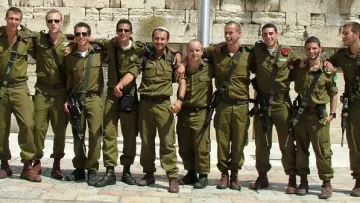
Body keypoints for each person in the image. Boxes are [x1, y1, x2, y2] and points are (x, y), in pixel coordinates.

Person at [247, 23, 299, 193]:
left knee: (286, 141)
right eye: (265, 34)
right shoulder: (257, 51)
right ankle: (262, 176)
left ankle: (291, 177)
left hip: (281, 103)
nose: (268, 37)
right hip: (263, 103)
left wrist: (324, 64)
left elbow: (301, 65)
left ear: (277, 34)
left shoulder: (287, 52)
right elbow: (239, 52)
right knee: (262, 142)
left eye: (271, 33)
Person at [91, 19, 142, 187]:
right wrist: (70, 44)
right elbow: (92, 39)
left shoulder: (139, 49)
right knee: (109, 133)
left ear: (131, 32)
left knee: (129, 136)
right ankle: (110, 171)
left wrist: (178, 54)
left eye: (126, 30)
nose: (123, 33)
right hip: (112, 96)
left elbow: (134, 72)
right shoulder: (110, 44)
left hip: (128, 96)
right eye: (120, 30)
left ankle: (126, 171)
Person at [137, 27, 185, 193]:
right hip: (145, 104)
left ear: (167, 40)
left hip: (164, 105)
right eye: (156, 38)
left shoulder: (173, 59)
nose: (159, 42)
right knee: (146, 141)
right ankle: (149, 174)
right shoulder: (144, 55)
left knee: (167, 142)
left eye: (162, 39)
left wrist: (180, 100)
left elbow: (182, 80)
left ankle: (172, 177)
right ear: (152, 39)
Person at [203, 21, 251, 190]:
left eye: (231, 33)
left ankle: (235, 175)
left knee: (239, 142)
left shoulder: (249, 54)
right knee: (223, 141)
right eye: (225, 33)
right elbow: (195, 49)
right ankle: (224, 174)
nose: (228, 36)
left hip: (241, 105)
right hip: (223, 105)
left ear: (239, 34)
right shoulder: (216, 52)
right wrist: (180, 58)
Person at [291, 36, 337, 199]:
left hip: (319, 116)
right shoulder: (299, 68)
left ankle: (326, 183)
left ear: (320, 49)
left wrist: (332, 114)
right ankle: (303, 181)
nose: (311, 52)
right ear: (305, 50)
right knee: (301, 150)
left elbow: (333, 93)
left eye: (314, 48)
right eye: (308, 49)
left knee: (322, 150)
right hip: (302, 115)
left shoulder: (327, 70)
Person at [0, 7, 41, 182]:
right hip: (1, 88)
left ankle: (27, 165)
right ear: (6, 18)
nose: (13, 22)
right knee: (1, 128)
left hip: (20, 87)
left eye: (17, 19)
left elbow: (44, 44)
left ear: (20, 21)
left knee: (28, 124)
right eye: (11, 18)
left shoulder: (26, 39)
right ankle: (4, 164)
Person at [31, 9, 73, 179]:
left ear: (62, 22)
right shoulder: (38, 40)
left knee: (59, 130)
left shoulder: (69, 43)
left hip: (60, 93)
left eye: (56, 20)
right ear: (46, 22)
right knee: (38, 128)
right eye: (50, 21)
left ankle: (57, 163)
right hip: (42, 90)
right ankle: (36, 162)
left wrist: (69, 96)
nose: (53, 23)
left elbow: (72, 71)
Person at [63, 22, 105, 186]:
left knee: (95, 134)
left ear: (89, 35)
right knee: (78, 134)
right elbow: (69, 78)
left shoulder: (99, 53)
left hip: (94, 98)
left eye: (84, 34)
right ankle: (79, 168)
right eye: (78, 34)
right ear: (74, 36)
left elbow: (108, 43)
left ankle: (92, 169)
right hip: (76, 99)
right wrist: (67, 99)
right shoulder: (70, 57)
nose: (81, 37)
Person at [328, 21, 360, 197]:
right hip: (354, 107)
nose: (343, 36)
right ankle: (359, 180)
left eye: (346, 33)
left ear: (356, 34)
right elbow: (327, 62)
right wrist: (329, 66)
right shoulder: (342, 55)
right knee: (355, 145)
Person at [176, 39, 213, 189]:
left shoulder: (209, 68)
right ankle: (191, 173)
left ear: (202, 52)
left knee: (201, 146)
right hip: (184, 112)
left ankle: (203, 175)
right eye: (191, 50)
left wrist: (183, 63)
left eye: (197, 50)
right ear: (187, 52)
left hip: (201, 112)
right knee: (185, 145)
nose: (194, 53)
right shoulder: (180, 70)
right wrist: (182, 64)